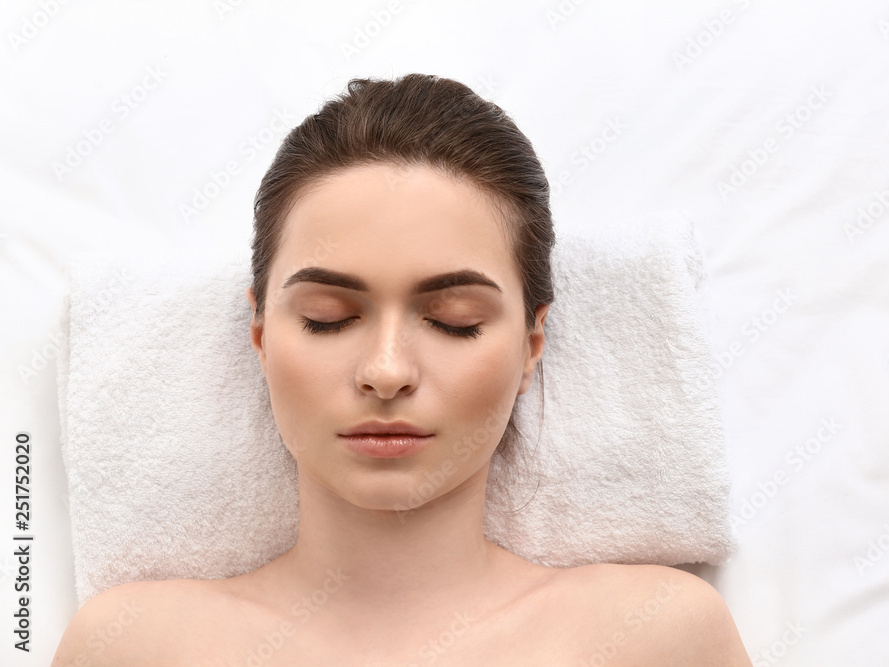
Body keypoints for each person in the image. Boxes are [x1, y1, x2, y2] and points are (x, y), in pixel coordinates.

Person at [51, 73, 751, 666]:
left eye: (454, 320)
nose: (386, 372)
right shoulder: (133, 646)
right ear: (261, 335)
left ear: (532, 345)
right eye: (327, 317)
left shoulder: (656, 637)